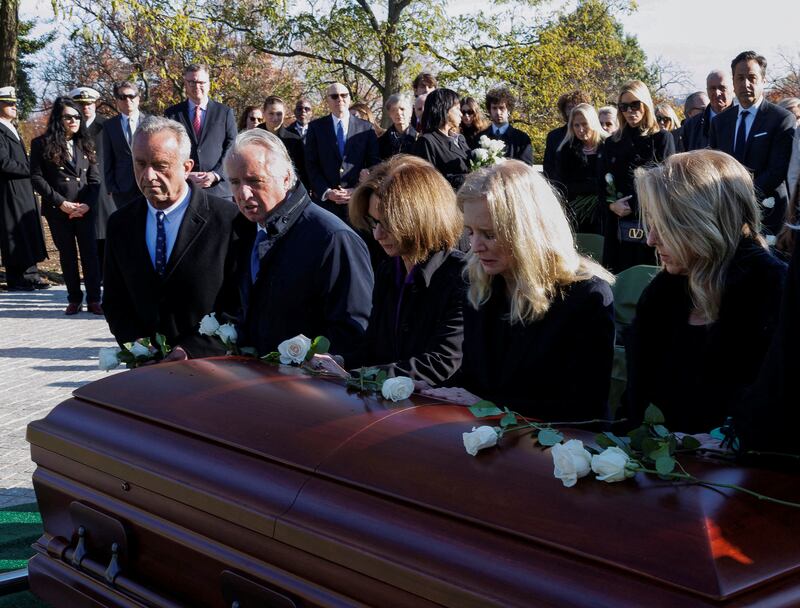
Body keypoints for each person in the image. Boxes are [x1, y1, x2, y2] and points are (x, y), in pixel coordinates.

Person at [422, 160, 616, 421]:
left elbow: (584, 408)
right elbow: (473, 379)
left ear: (529, 232)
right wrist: (427, 390)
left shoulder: (586, 297)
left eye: (489, 234)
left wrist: (490, 406)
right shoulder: (480, 286)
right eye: (470, 232)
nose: (474, 246)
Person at [624, 150, 787, 433]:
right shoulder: (661, 294)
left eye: (664, 226)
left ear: (703, 223)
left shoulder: (775, 292)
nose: (650, 239)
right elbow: (634, 407)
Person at [228, 129, 373, 360]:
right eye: (235, 182)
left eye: (254, 181)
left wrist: (300, 365)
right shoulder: (244, 229)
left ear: (286, 178)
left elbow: (350, 331)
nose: (243, 193)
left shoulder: (332, 238)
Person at [102, 116, 240, 358]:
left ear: (187, 167)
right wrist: (139, 347)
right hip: (147, 369)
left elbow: (238, 303)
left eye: (160, 165)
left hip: (211, 366)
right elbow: (115, 300)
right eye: (140, 163)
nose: (149, 175)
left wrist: (190, 350)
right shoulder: (120, 224)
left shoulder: (228, 221)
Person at [348, 155, 466, 384]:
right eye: (374, 223)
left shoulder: (460, 277)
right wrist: (337, 363)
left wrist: (360, 376)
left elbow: (442, 362)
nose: (378, 235)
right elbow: (372, 349)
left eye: (389, 224)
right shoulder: (388, 270)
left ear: (421, 217)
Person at [709, 51, 796, 241]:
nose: (746, 84)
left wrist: (741, 197)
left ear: (763, 81)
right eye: (740, 78)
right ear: (733, 82)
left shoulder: (781, 119)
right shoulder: (720, 122)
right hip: (727, 216)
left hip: (768, 215)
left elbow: (776, 171)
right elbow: (714, 167)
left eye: (752, 78)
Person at [30, 97, 102, 315]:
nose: (74, 121)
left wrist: (86, 205)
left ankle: (94, 299)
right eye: (68, 117)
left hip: (84, 210)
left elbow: (95, 180)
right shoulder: (40, 144)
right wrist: (61, 203)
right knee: (68, 256)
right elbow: (36, 177)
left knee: (90, 255)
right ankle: (74, 298)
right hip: (58, 210)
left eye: (77, 117)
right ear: (57, 119)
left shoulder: (85, 143)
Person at [598, 80, 675, 272]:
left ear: (646, 104)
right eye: (624, 107)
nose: (630, 111)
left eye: (635, 105)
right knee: (619, 277)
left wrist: (634, 205)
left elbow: (667, 183)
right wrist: (611, 204)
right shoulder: (612, 142)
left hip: (652, 221)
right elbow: (601, 182)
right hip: (618, 223)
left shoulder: (662, 138)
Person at [304, 82, 380, 222]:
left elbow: (374, 162)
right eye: (334, 96)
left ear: (349, 98)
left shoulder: (366, 128)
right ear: (327, 100)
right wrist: (327, 192)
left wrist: (357, 188)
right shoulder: (316, 128)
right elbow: (311, 164)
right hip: (326, 205)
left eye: (344, 95)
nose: (340, 99)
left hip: (357, 203)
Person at [164, 63, 237, 200]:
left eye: (201, 82)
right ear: (185, 84)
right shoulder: (172, 114)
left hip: (219, 190)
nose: (197, 86)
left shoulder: (224, 112)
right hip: (184, 188)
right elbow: (167, 150)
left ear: (209, 84)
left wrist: (216, 174)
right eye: (192, 82)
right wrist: (183, 173)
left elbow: (232, 145)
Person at [0, 86, 47, 291]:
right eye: (8, 103)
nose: (14, 107)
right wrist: (31, 169)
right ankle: (18, 278)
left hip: (23, 187)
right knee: (15, 231)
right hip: (10, 188)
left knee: (27, 229)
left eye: (14, 103)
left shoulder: (11, 127)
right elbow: (3, 162)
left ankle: (31, 274)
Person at [70, 86, 115, 277]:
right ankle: (92, 277)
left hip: (105, 188)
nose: (85, 108)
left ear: (95, 104)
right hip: (79, 189)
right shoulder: (70, 128)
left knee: (106, 235)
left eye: (89, 104)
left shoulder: (108, 126)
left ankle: (107, 277)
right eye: (81, 105)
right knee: (86, 237)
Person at [554, 103, 608, 234]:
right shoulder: (566, 150)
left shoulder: (608, 146)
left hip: (605, 212)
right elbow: (562, 183)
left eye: (584, 124)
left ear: (593, 123)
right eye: (576, 125)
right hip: (576, 212)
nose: (580, 129)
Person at [412, 88, 470, 190]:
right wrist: (465, 178)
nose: (461, 114)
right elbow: (428, 182)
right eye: (457, 108)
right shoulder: (427, 142)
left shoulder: (460, 139)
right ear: (444, 109)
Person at [103, 81, 146, 210]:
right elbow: (108, 157)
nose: (127, 100)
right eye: (122, 97)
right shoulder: (109, 125)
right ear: (117, 101)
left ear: (138, 98)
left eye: (131, 96)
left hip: (148, 183)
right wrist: (110, 186)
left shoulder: (152, 121)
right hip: (121, 188)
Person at [476, 85, 533, 165]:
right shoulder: (480, 137)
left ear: (509, 110)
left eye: (502, 108)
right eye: (494, 108)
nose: (498, 112)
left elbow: (527, 167)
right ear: (489, 110)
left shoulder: (522, 139)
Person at [543, 90, 592, 178]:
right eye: (569, 107)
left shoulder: (592, 133)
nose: (573, 110)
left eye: (577, 106)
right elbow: (548, 166)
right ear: (564, 111)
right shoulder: (554, 136)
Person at [259, 95, 306, 187]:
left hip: (285, 188)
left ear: (284, 114)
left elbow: (301, 170)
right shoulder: (252, 137)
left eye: (279, 114)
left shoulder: (294, 140)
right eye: (271, 113)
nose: (275, 118)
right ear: (264, 113)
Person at [683, 70, 733, 152]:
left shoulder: (741, 121)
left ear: (733, 89)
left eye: (722, 88)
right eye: (712, 88)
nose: (717, 93)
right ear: (707, 91)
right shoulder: (692, 126)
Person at [378, 93, 416, 160]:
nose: (398, 113)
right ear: (389, 114)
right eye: (393, 110)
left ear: (410, 111)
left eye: (402, 109)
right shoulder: (383, 140)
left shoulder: (418, 137)